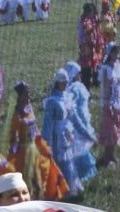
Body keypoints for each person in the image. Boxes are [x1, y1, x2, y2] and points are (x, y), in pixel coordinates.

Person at [4, 81, 69, 201]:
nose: (29, 96)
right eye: (26, 94)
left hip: (34, 150)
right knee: (25, 179)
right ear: (19, 96)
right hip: (23, 153)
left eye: (29, 93)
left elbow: (36, 133)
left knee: (40, 177)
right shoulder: (16, 116)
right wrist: (14, 146)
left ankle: (39, 198)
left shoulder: (29, 109)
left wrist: (44, 148)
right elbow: (13, 138)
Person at [42, 69, 82, 198]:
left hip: (67, 133)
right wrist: (47, 143)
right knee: (59, 161)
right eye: (63, 82)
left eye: (66, 82)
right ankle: (57, 190)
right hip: (57, 135)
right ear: (58, 83)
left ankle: (70, 188)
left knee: (68, 160)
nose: (65, 84)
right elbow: (48, 124)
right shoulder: (52, 102)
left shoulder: (66, 97)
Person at [63, 61, 98, 185]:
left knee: (79, 145)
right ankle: (84, 171)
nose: (80, 76)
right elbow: (76, 107)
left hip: (77, 119)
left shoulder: (70, 88)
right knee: (80, 145)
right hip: (79, 119)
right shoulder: (76, 87)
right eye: (78, 74)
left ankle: (80, 168)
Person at [98, 43, 120, 167]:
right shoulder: (106, 69)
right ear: (109, 53)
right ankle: (107, 157)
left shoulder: (117, 65)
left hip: (118, 100)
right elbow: (107, 88)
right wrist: (110, 104)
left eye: (117, 52)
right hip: (110, 102)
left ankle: (112, 155)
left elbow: (119, 83)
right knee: (110, 131)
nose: (116, 54)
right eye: (114, 52)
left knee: (117, 130)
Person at [77, 3, 103, 89]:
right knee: (86, 68)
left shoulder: (90, 19)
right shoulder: (84, 21)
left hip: (91, 47)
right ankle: (86, 86)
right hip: (86, 47)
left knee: (94, 64)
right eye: (91, 12)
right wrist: (95, 25)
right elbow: (88, 32)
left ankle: (95, 80)